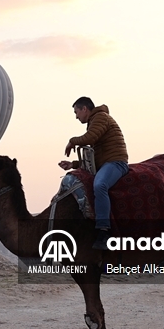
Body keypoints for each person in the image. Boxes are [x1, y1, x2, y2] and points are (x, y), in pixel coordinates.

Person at [59, 97, 129, 249]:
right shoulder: (95, 122)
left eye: (76, 112)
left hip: (116, 163)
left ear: (85, 109)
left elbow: (89, 138)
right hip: (106, 163)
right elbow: (94, 157)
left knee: (100, 185)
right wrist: (73, 164)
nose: (76, 116)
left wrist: (72, 141)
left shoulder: (100, 117)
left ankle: (104, 230)